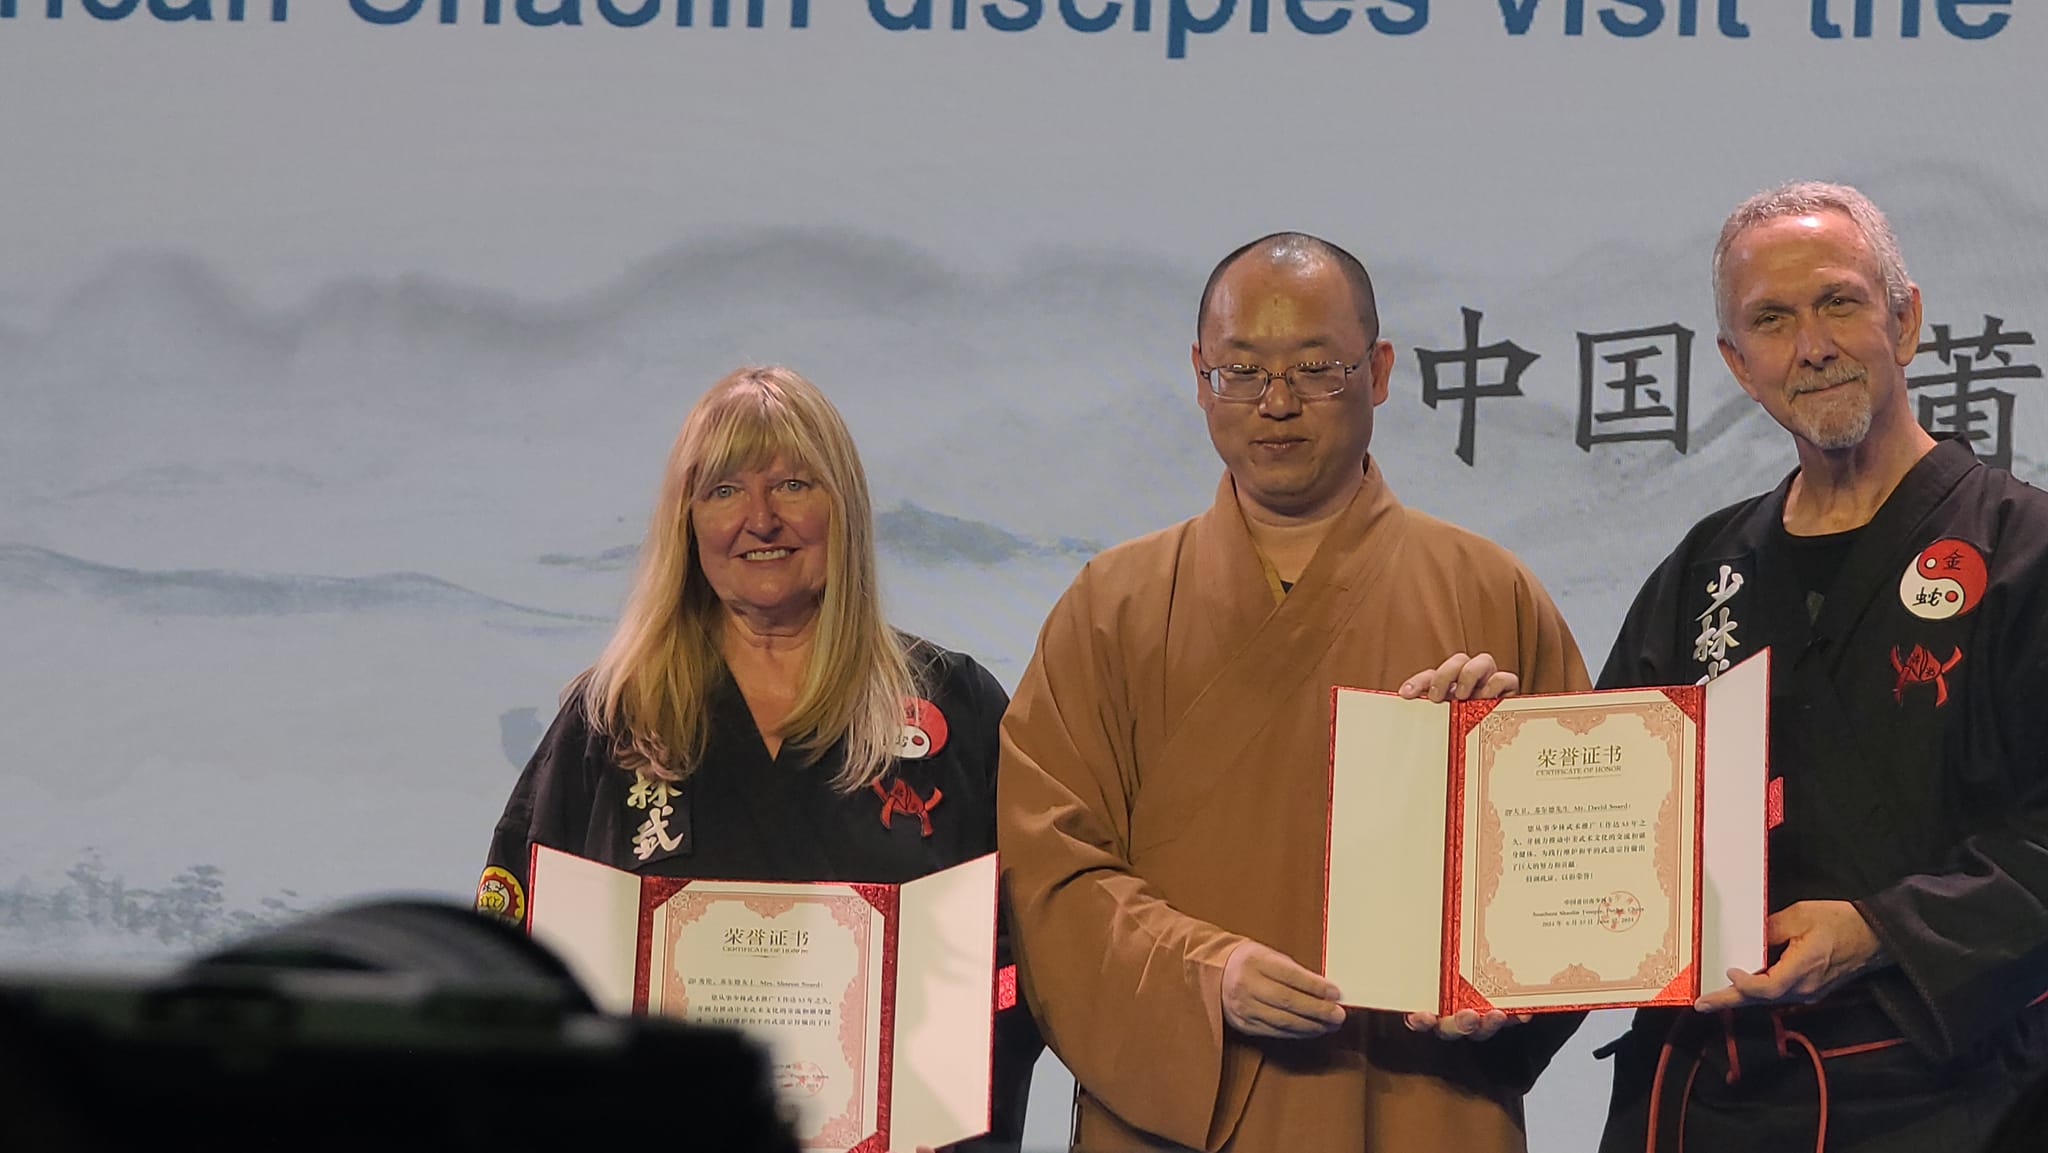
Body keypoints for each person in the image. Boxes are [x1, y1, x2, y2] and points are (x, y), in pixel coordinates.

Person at [997, 233, 1591, 1151]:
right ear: (1199, 377)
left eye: (1315, 367)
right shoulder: (1109, 608)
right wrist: (1206, 975)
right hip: (1180, 1113)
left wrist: (1500, 984)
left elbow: (1578, 867)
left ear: (1380, 370)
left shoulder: (1488, 591)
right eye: (1240, 371)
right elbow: (1049, 871)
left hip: (1420, 1103)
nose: (1275, 403)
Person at [479, 365, 1040, 1152]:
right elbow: (515, 958)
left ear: (842, 507)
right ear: (687, 521)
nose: (761, 519)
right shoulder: (610, 720)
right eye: (724, 491)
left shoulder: (954, 707)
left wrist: (929, 1104)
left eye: (795, 485)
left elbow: (1028, 952)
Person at [1593, 181, 2048, 1152]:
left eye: (1838, 302)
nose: (1811, 345)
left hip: (1948, 1098)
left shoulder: (2025, 551)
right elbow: (1602, 814)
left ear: (1903, 317)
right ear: (1735, 364)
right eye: (1770, 320)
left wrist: (1881, 929)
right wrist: (1483, 746)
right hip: (1699, 1097)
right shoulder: (1702, 571)